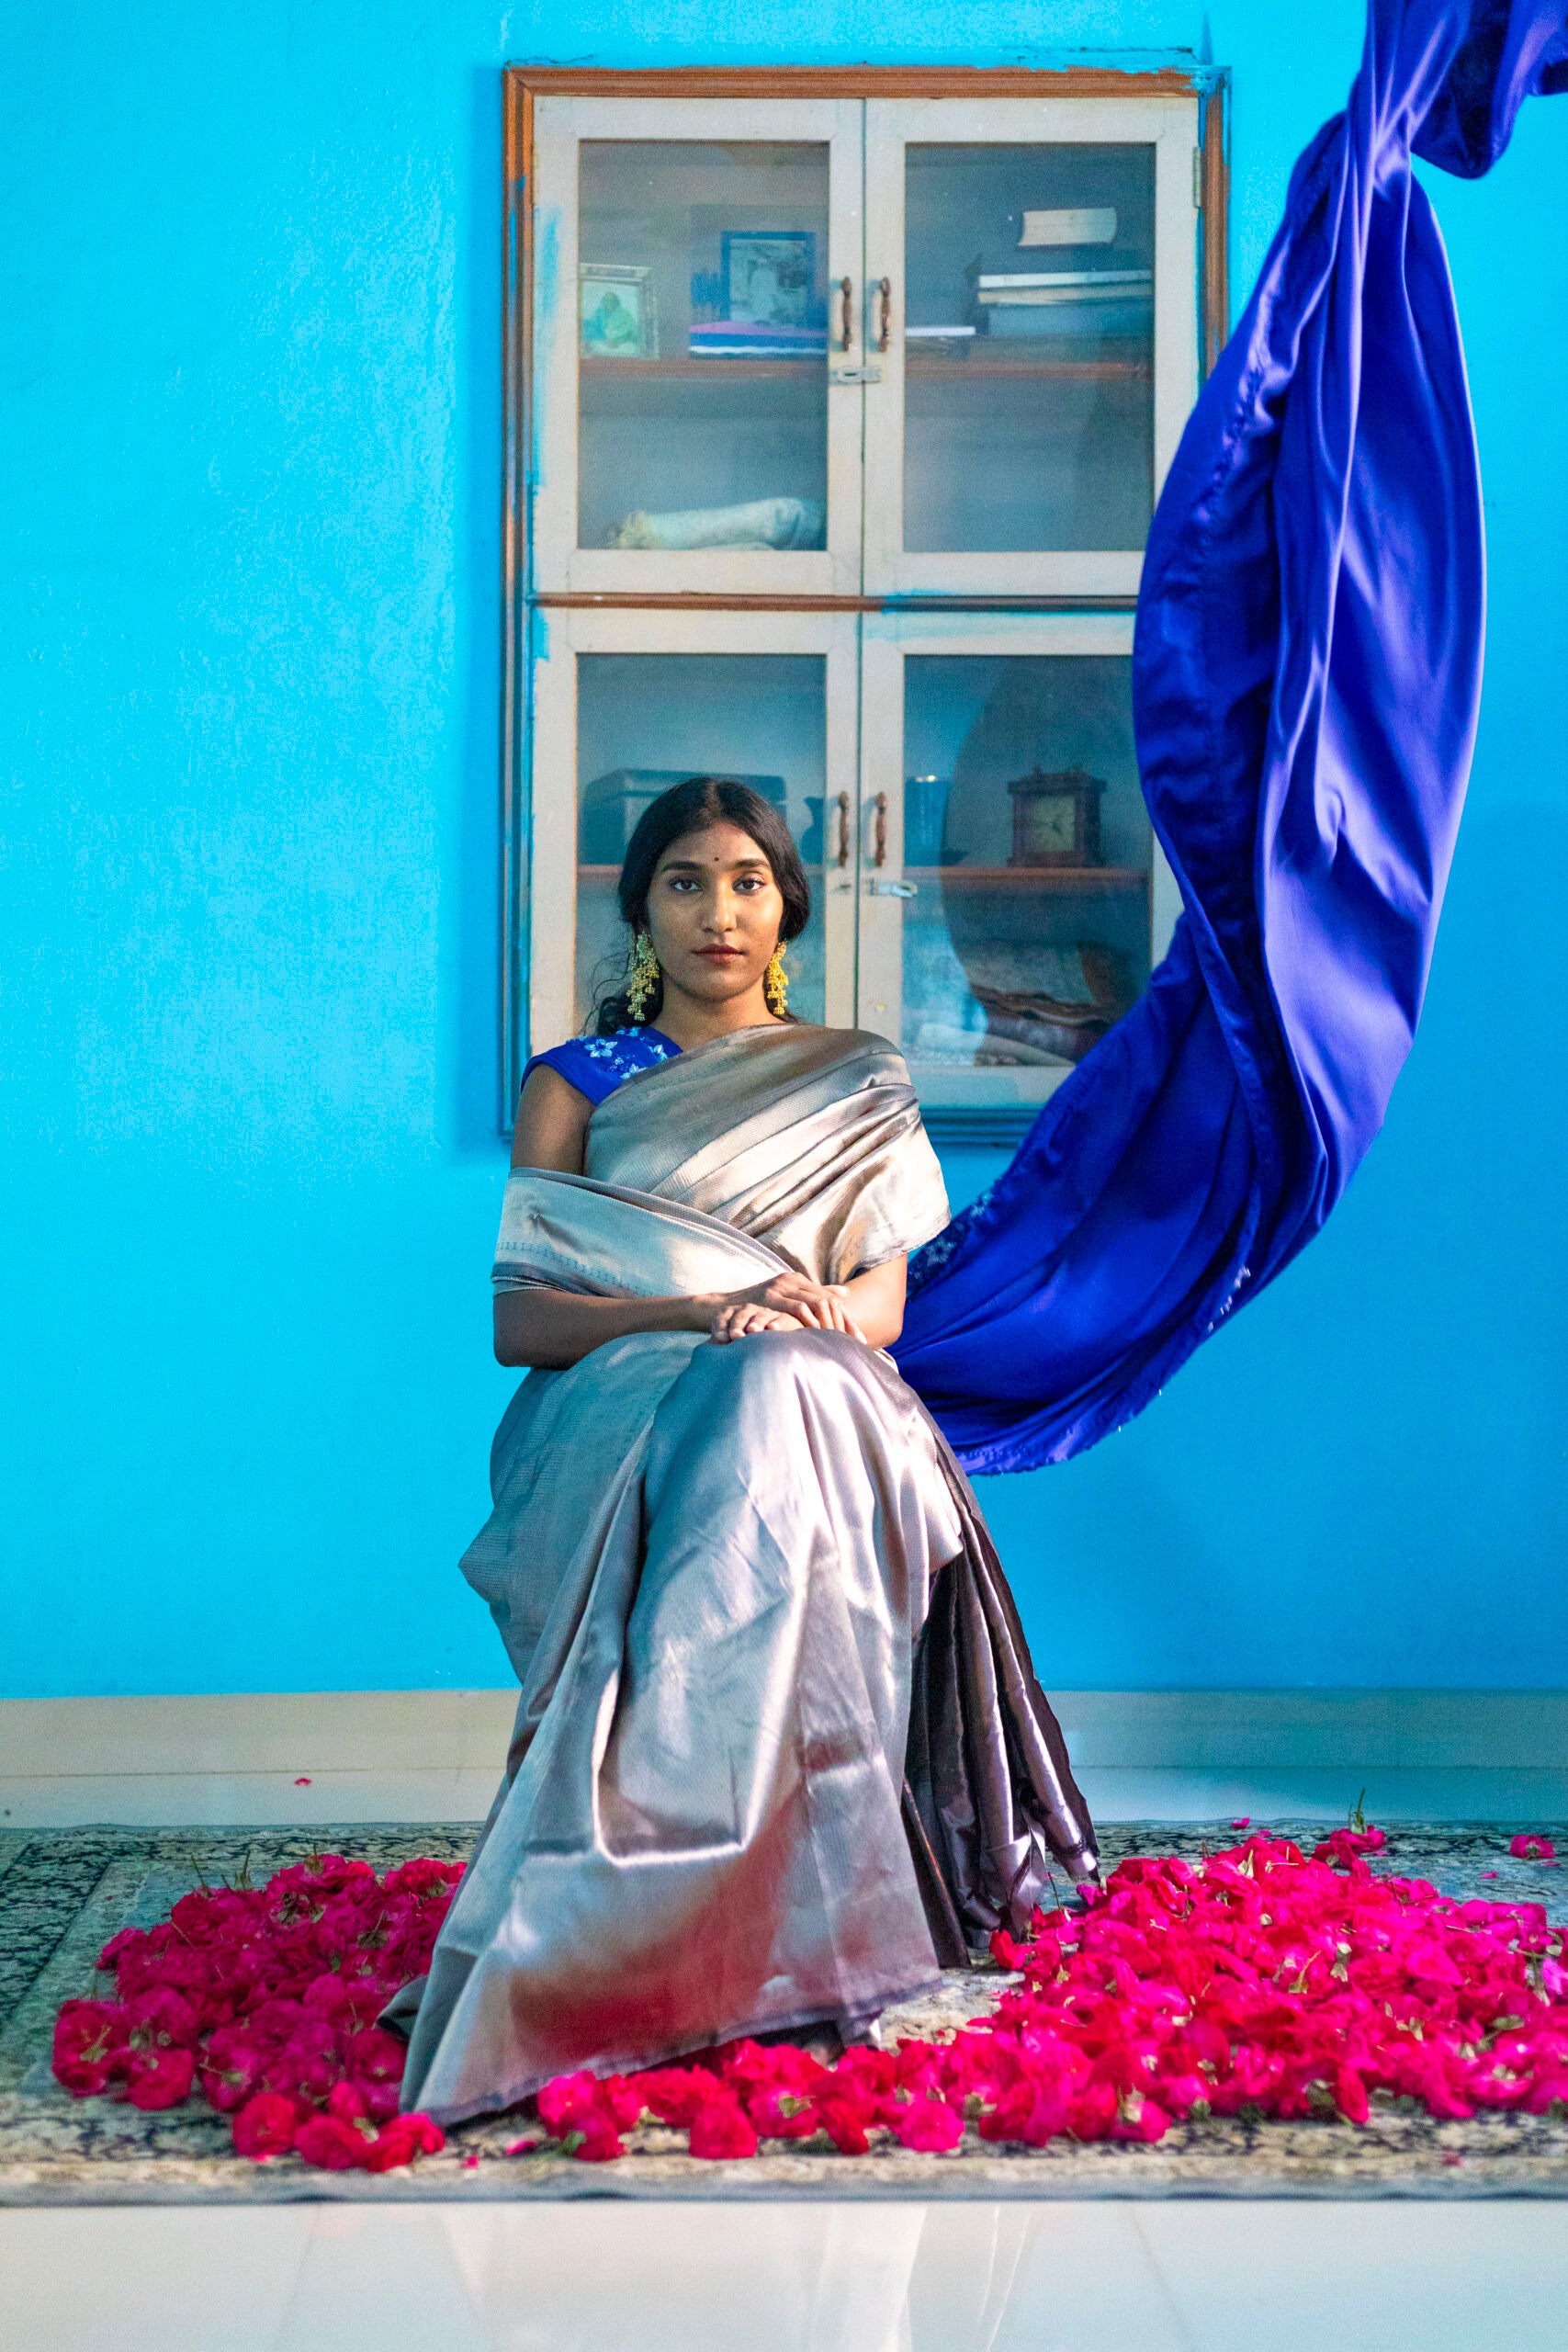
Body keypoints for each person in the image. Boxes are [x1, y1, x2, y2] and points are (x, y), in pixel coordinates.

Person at [394, 777, 1098, 2125]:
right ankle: (679, 1916)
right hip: (623, 1397)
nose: (719, 911)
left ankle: (725, 1918)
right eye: (685, 881)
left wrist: (802, 1321)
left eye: (747, 881)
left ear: (789, 908)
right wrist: (702, 1310)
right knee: (758, 1387)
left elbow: (881, 1310)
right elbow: (522, 1323)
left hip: (817, 1388)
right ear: (640, 909)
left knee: (790, 1386)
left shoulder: (855, 1077)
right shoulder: (575, 1085)